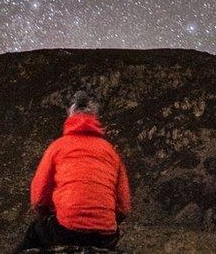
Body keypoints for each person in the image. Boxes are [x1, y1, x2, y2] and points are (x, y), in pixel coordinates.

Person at [16, 91, 132, 251]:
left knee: (33, 233)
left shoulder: (57, 147)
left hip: (66, 231)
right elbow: (123, 206)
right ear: (95, 116)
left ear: (69, 115)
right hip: (105, 236)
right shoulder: (110, 151)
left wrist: (52, 212)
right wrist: (103, 221)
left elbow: (39, 197)